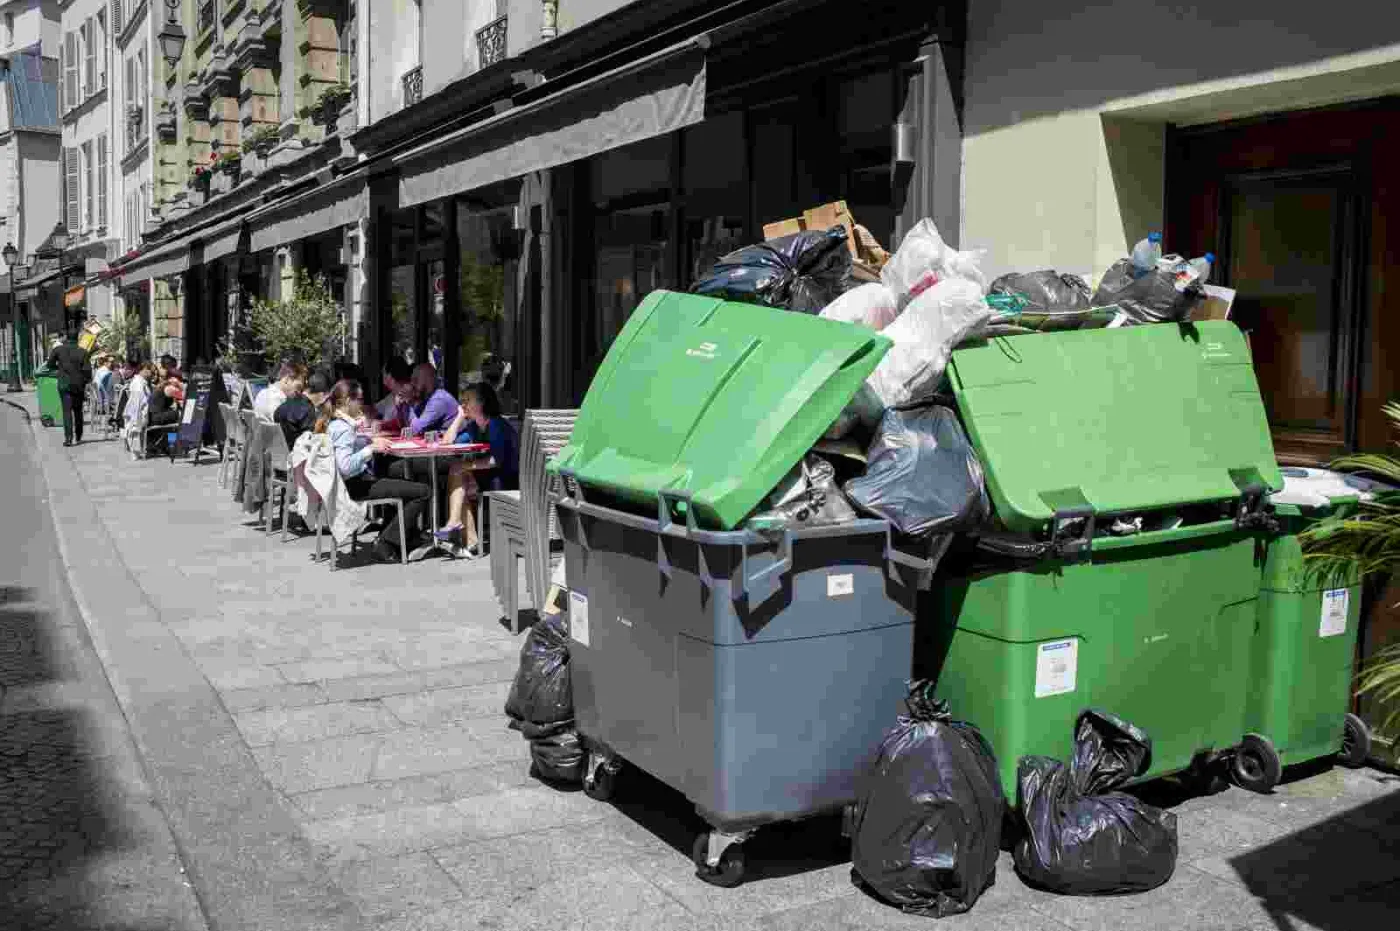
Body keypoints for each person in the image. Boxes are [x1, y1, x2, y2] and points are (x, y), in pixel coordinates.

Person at [315, 379, 431, 563]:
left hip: (344, 486)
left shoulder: (334, 423)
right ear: (347, 402)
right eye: (359, 400)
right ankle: (386, 541)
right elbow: (345, 467)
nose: (362, 403)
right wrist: (371, 450)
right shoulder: (344, 429)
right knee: (423, 491)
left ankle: (402, 537)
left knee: (394, 477)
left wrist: (368, 441)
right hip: (354, 485)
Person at [434, 382, 520, 551]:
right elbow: (447, 443)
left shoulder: (495, 424)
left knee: (458, 471)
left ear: (481, 403)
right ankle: (465, 533)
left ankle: (462, 530)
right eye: (462, 400)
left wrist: (467, 466)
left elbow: (497, 461)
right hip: (490, 476)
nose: (463, 404)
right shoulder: (475, 426)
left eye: (468, 400)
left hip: (505, 479)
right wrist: (459, 417)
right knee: (458, 474)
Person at [46, 328, 92, 447]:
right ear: (77, 338)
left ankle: (68, 438)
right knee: (78, 411)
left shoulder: (58, 350)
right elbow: (87, 373)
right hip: (78, 386)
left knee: (66, 412)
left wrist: (60, 369)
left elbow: (49, 365)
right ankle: (78, 435)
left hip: (64, 385)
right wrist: (84, 382)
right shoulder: (83, 352)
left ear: (66, 337)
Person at [274, 368, 331, 447]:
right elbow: (309, 443)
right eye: (327, 398)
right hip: (297, 455)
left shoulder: (284, 405)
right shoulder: (308, 411)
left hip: (282, 452)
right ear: (323, 395)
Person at [374, 356, 413, 426]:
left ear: (389, 376)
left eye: (383, 373)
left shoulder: (411, 394)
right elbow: (374, 410)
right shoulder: (391, 396)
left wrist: (383, 424)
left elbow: (408, 422)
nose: (382, 377)